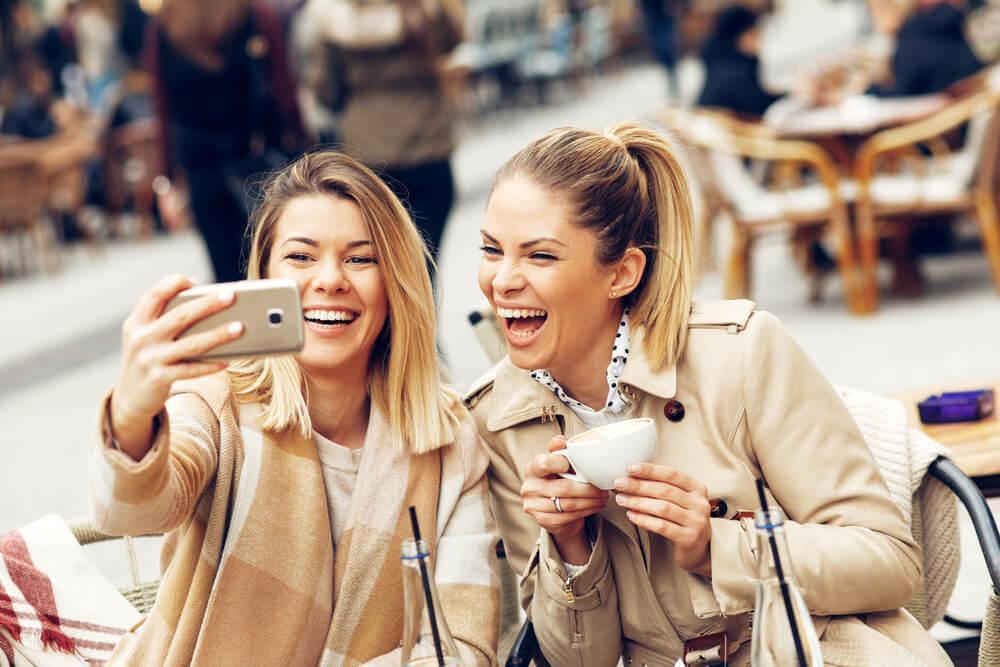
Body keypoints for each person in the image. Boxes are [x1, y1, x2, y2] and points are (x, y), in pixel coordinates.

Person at [465, 123, 951, 665]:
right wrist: (569, 548)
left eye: (540, 256)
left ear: (622, 273)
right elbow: (581, 661)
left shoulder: (739, 353)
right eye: (491, 249)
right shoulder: (497, 417)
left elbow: (890, 563)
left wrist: (716, 547)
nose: (501, 281)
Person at [89, 150, 498, 665]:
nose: (330, 279)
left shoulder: (451, 439)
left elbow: (461, 647)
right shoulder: (216, 402)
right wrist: (131, 413)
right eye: (301, 257)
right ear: (264, 276)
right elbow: (133, 509)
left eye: (360, 258)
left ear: (396, 282)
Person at [147, 0, 306, 283]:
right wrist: (301, 143)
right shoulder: (254, 15)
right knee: (274, 261)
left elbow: (163, 109)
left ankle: (236, 327)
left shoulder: (165, 25)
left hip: (202, 165)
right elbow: (283, 89)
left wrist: (167, 179)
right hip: (256, 156)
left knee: (226, 272)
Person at [310, 0, 463, 273]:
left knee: (381, 266)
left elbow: (327, 92)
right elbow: (454, 41)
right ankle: (420, 315)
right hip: (427, 146)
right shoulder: (426, 11)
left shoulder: (333, 22)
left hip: (368, 155)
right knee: (424, 264)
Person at [867, 0, 982, 98]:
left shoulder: (913, 39)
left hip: (942, 120)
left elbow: (901, 94)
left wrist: (871, 88)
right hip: (966, 108)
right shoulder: (946, 26)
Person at [696, 6, 779, 118]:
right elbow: (756, 106)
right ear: (739, 36)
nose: (759, 40)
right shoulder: (733, 70)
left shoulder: (722, 60)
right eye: (754, 34)